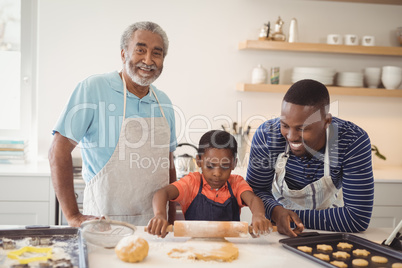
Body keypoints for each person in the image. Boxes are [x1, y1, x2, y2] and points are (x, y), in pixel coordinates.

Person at [48, 21, 177, 227]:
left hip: (152, 228)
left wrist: (170, 222)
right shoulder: (93, 88)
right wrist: (73, 215)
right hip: (104, 223)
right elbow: (58, 151)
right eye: (140, 50)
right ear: (124, 54)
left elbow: (168, 164)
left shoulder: (164, 102)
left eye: (156, 53)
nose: (148, 60)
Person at [246, 79, 374, 237]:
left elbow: (356, 218)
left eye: (302, 128)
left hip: (332, 232)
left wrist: (285, 216)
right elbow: (256, 190)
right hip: (280, 230)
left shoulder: (352, 140)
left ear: (326, 122)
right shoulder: (267, 135)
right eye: (285, 125)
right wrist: (276, 211)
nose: (291, 137)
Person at [147, 130, 273, 238]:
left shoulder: (236, 183)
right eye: (210, 166)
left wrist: (259, 215)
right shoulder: (192, 182)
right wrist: (160, 215)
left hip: (232, 246)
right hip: (194, 247)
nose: (217, 173)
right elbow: (162, 193)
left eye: (224, 166)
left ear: (234, 163)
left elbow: (253, 200)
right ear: (199, 161)